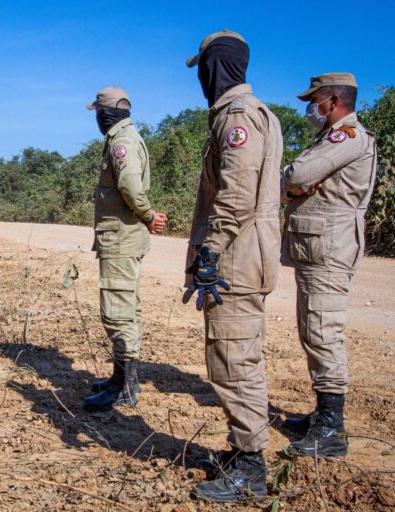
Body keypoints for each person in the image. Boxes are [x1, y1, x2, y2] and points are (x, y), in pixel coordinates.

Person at [182, 30, 283, 502]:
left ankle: (250, 469)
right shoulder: (253, 114)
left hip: (235, 261)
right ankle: (244, 453)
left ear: (212, 68)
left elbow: (237, 194)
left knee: (232, 361)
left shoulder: (238, 117)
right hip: (244, 257)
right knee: (239, 356)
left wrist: (210, 250)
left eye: (202, 69)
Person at [279, 73, 378, 458]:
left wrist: (293, 183)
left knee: (323, 330)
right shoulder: (329, 139)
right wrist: (294, 186)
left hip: (330, 249)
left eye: (315, 100)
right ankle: (322, 412)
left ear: (333, 100)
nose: (310, 107)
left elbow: (297, 174)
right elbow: (297, 181)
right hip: (318, 248)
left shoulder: (346, 137)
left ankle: (331, 429)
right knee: (312, 328)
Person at [83, 86, 168, 412]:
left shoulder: (122, 143)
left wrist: (147, 214)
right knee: (126, 308)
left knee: (117, 311)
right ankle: (123, 379)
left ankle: (124, 386)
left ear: (105, 114)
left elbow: (130, 185)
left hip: (119, 238)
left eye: (97, 113)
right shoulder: (125, 138)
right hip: (120, 237)